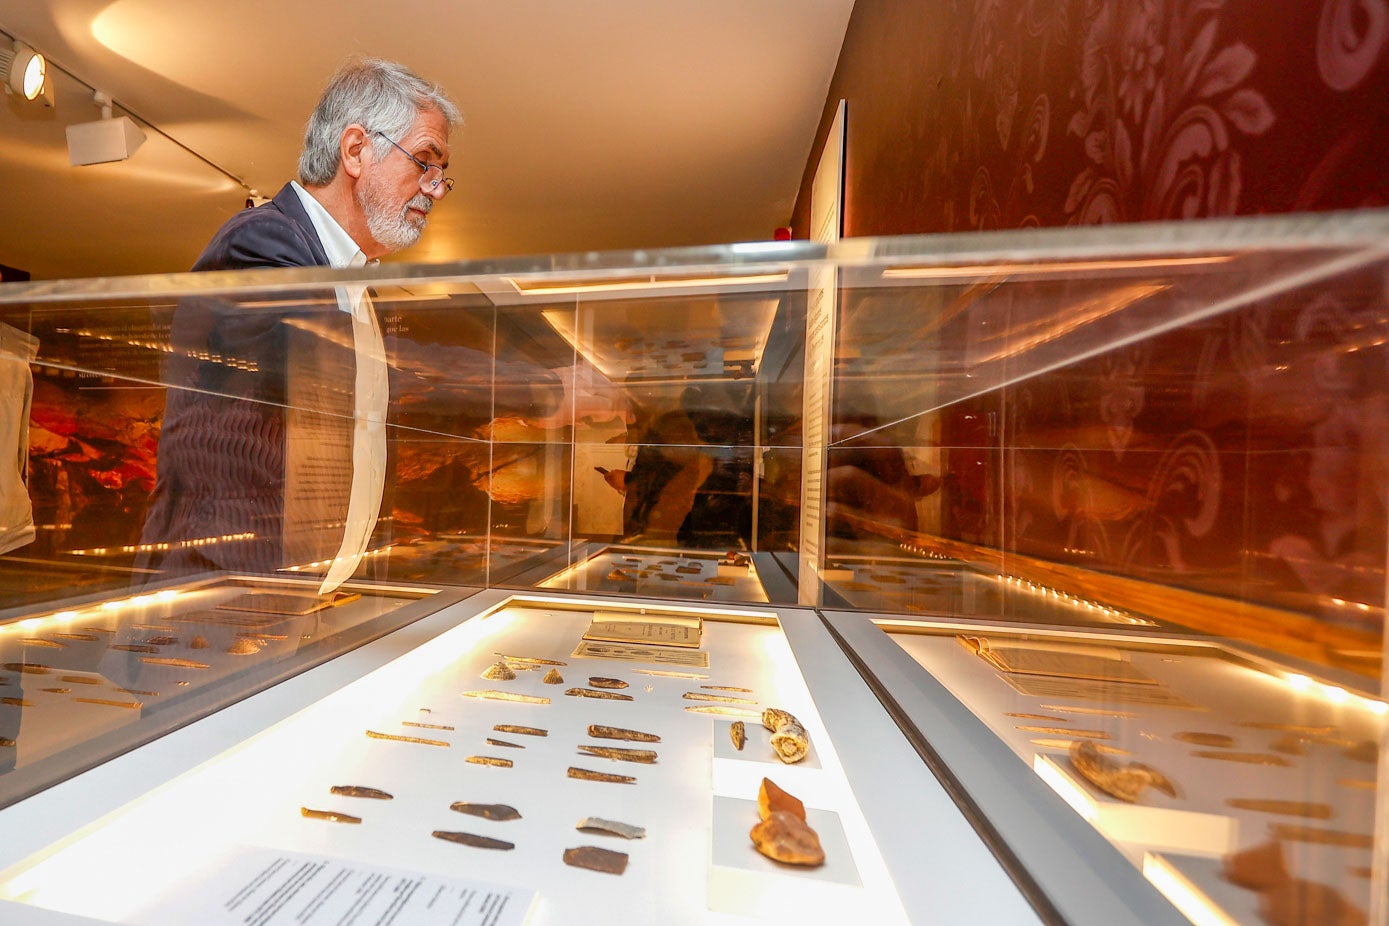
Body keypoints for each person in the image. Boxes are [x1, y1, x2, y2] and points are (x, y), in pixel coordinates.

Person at [137, 58, 482, 582]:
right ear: (356, 150)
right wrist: (544, 388)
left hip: (296, 589)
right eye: (424, 162)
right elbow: (345, 364)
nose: (435, 188)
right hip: (215, 591)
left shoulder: (355, 277)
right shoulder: (261, 243)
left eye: (441, 174)